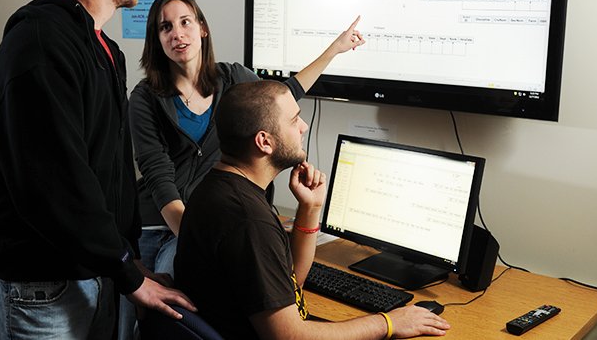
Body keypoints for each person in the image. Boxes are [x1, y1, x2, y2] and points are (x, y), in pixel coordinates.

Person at [0, 0, 194, 339]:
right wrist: (129, 274)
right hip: (37, 288)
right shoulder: (40, 45)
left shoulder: (104, 50)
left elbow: (105, 172)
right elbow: (56, 184)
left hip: (93, 273)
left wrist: (128, 262)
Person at [121, 0, 364, 338]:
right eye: (165, 27)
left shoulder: (232, 79)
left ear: (202, 28)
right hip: (166, 220)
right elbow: (160, 179)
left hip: (207, 217)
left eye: (186, 21)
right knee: (156, 308)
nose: (178, 33)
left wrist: (335, 49)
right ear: (156, 40)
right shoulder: (145, 98)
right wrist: (197, 235)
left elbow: (280, 98)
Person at [173, 80, 452, 339]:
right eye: (294, 120)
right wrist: (390, 322)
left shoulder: (220, 188)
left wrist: (310, 207)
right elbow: (290, 336)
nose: (304, 126)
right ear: (264, 142)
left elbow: (291, 282)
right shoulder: (248, 219)